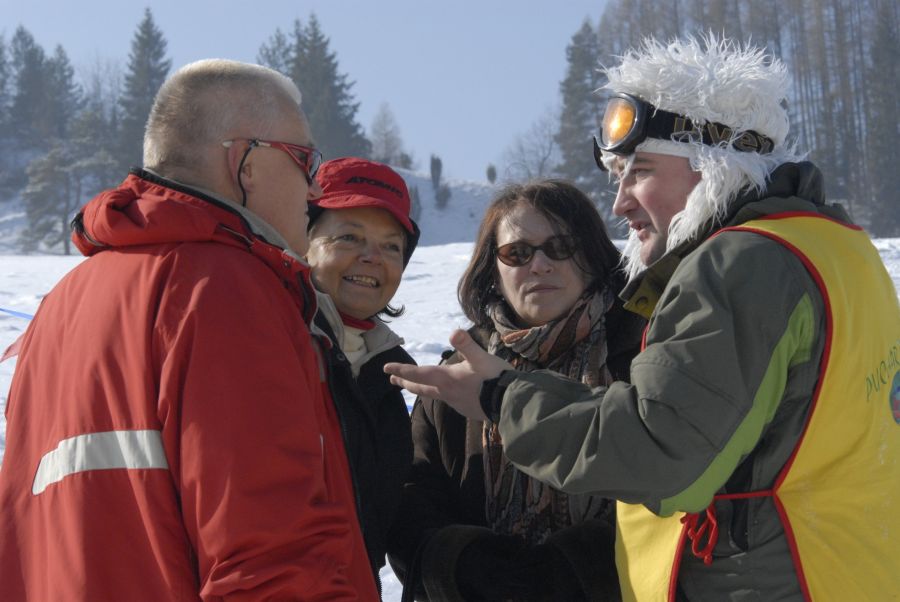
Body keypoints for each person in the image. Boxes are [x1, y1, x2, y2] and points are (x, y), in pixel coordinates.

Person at [386, 34, 900, 601]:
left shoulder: (741, 262)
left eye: (641, 171)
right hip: (843, 570)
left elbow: (660, 451)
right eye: (619, 177)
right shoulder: (838, 248)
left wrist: (501, 399)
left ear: (712, 165)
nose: (621, 201)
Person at [0, 59, 378, 600]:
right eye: (305, 160)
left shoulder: (63, 304)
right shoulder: (223, 289)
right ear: (245, 162)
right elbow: (269, 556)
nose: (316, 187)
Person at [387, 180, 645, 602]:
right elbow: (412, 498)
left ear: (593, 256)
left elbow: (674, 480)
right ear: (494, 269)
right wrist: (463, 563)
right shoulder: (456, 377)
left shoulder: (641, 354)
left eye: (560, 246)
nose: (539, 265)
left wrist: (577, 566)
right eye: (517, 253)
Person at [304, 157, 419, 595]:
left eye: (392, 247)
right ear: (303, 240)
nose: (372, 258)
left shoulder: (388, 372)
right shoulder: (269, 347)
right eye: (350, 237)